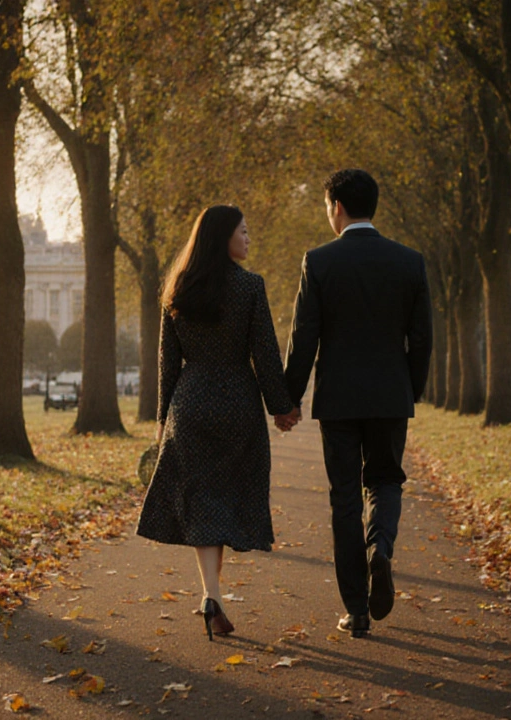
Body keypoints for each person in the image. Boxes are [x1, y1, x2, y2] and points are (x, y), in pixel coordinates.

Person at [279, 169, 432, 638]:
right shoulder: (410, 262)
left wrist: (288, 397)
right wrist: (412, 389)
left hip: (339, 400)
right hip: (390, 394)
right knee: (386, 480)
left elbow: (305, 336)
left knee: (344, 499)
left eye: (328, 207)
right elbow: (421, 338)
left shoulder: (320, 262)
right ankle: (380, 547)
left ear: (337, 207)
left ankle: (356, 609)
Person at [135, 205, 295, 642]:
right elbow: (264, 354)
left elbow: (167, 365)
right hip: (238, 404)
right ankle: (212, 597)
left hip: (191, 405)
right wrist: (282, 406)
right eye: (243, 232)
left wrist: (162, 421)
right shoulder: (249, 287)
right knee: (225, 498)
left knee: (204, 501)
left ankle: (212, 595)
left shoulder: (178, 289)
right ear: (223, 236)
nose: (248, 238)